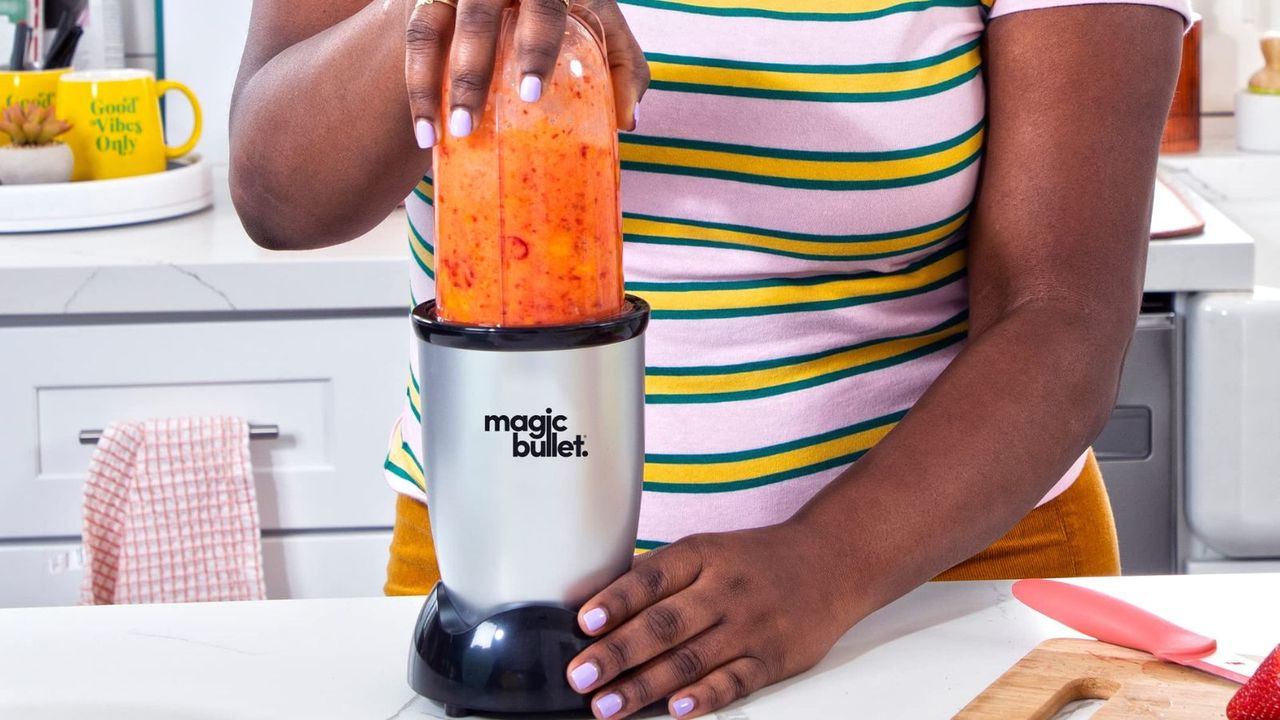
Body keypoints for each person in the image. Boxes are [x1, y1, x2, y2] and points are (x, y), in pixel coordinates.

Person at [230, 0, 1189, 715]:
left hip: (933, 592)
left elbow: (1059, 315)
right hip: (496, 573)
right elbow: (280, 197)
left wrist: (823, 569)